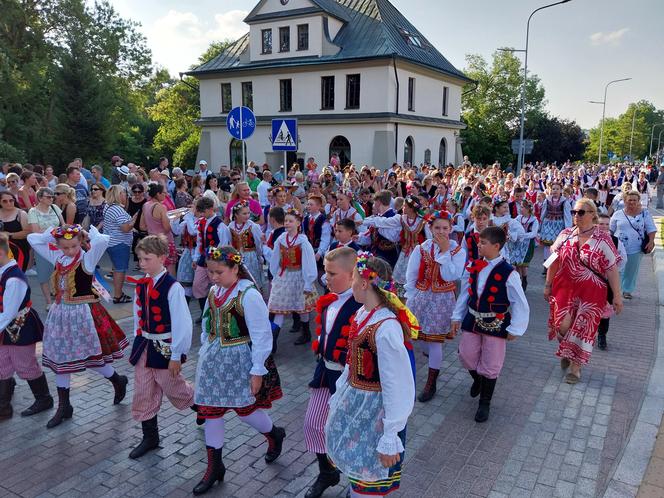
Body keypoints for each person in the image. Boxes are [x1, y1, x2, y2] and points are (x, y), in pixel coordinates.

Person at [192, 245, 285, 495]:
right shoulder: (214, 291)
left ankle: (274, 433)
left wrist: (257, 371)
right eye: (211, 272)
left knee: (245, 411)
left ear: (235, 269)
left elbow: (262, 335)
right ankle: (214, 467)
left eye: (219, 272)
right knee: (211, 412)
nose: (213, 277)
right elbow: (207, 322)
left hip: (239, 359)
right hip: (213, 360)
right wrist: (205, 348)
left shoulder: (248, 295)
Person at [325, 253, 416, 497]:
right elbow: (351, 364)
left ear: (364, 283)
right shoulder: (363, 315)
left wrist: (390, 434)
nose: (352, 284)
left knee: (370, 482)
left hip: (376, 416)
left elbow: (398, 385)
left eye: (353, 278)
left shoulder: (386, 328)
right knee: (360, 478)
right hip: (359, 408)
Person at [27, 224, 128, 428]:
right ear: (58, 246)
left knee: (92, 359)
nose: (70, 250)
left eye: (73, 246)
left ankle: (117, 380)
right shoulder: (59, 258)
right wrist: (53, 233)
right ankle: (64, 406)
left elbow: (102, 241)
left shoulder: (87, 259)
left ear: (80, 242)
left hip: (83, 316)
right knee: (61, 360)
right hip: (61, 315)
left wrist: (85, 232)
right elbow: (32, 239)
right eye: (65, 247)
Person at [451, 226, 529, 422]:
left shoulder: (509, 272)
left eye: (483, 243)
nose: (479, 245)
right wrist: (456, 316)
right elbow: (465, 293)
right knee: (466, 355)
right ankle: (478, 380)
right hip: (472, 318)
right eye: (479, 241)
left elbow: (519, 301)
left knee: (491, 363)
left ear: (496, 246)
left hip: (496, 322)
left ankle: (485, 402)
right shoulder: (474, 266)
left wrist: (515, 328)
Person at [128, 235, 195, 459]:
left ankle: (203, 407)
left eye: (147, 258)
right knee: (143, 389)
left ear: (162, 258)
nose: (142, 263)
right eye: (140, 258)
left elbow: (182, 324)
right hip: (145, 344)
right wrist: (137, 337)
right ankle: (150, 437)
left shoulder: (172, 287)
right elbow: (138, 315)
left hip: (165, 346)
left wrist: (177, 354)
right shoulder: (142, 285)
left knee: (173, 387)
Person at [303, 247, 362, 498]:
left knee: (351, 432)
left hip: (349, 379)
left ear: (351, 275)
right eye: (325, 272)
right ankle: (327, 472)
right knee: (314, 424)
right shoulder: (329, 298)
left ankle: (357, 482)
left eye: (331, 273)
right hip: (325, 372)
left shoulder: (360, 304)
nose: (325, 278)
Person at [546, 199, 623, 384]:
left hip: (592, 293)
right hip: (564, 289)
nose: (576, 216)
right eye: (574, 212)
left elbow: (612, 269)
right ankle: (566, 348)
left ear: (592, 215)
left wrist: (617, 296)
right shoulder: (565, 234)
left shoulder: (603, 238)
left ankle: (575, 367)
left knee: (583, 329)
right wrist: (548, 284)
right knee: (562, 326)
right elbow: (553, 261)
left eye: (581, 212)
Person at [405, 210, 465, 402]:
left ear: (451, 229)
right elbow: (412, 275)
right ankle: (428, 358)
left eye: (445, 228)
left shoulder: (457, 250)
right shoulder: (421, 249)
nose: (441, 231)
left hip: (442, 300)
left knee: (435, 341)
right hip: (421, 297)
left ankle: (431, 383)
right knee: (421, 339)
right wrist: (410, 298)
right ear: (430, 228)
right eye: (437, 227)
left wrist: (445, 251)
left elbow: (451, 276)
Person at [0, 232, 53, 420]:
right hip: (5, 328)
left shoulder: (14, 279)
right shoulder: (4, 273)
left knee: (24, 364)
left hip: (19, 328)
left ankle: (44, 398)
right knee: (2, 364)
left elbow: (8, 313)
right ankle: (4, 407)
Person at [268, 208, 318, 348]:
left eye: (291, 221)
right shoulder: (281, 238)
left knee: (301, 306)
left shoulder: (303, 241)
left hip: (299, 277)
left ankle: (306, 332)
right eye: (286, 221)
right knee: (278, 307)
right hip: (284, 276)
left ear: (298, 223)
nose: (287, 223)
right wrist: (275, 274)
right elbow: (275, 257)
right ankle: (273, 341)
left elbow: (309, 262)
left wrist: (308, 281)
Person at [609, 191, 657, 299]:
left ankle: (627, 290)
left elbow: (651, 228)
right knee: (617, 270)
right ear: (625, 201)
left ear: (638, 201)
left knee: (631, 270)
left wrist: (651, 241)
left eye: (634, 200)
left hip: (635, 247)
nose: (632, 202)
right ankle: (615, 290)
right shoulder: (617, 214)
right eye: (629, 200)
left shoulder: (645, 213)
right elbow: (610, 230)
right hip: (618, 248)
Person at [191, 196, 231, 316]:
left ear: (210, 209)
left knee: (217, 286)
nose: (202, 214)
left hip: (215, 260)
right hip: (203, 259)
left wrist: (217, 262)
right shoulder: (201, 223)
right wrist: (196, 258)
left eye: (204, 211)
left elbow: (223, 244)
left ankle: (217, 312)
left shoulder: (220, 225)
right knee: (197, 285)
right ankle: (205, 312)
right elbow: (199, 242)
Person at [28, 188, 64, 310]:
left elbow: (63, 225)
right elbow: (35, 231)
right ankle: (49, 302)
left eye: (52, 196)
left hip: (59, 245)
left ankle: (61, 297)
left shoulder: (55, 208)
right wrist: (55, 230)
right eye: (48, 197)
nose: (51, 199)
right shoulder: (33, 211)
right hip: (43, 247)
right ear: (40, 198)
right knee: (44, 275)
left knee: (61, 272)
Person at [596, 213, 627, 351]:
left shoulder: (615, 241)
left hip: (606, 281)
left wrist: (611, 272)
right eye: (601, 224)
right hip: (589, 281)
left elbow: (623, 259)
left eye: (607, 224)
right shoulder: (589, 238)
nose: (604, 227)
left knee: (605, 310)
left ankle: (602, 336)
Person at [104, 185, 137, 303]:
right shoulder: (117, 209)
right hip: (119, 243)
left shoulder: (108, 206)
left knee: (117, 269)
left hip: (112, 242)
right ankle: (118, 295)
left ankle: (119, 293)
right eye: (124, 193)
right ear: (119, 195)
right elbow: (125, 228)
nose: (126, 196)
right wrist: (134, 220)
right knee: (120, 270)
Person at [141, 183, 177, 276]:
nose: (166, 195)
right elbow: (167, 228)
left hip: (151, 241)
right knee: (169, 269)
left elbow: (142, 226)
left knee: (153, 270)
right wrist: (174, 220)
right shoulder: (161, 207)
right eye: (164, 193)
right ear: (158, 194)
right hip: (165, 241)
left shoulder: (145, 205)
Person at [229, 201, 264, 291]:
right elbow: (229, 242)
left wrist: (259, 256)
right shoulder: (230, 226)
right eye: (244, 213)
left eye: (248, 213)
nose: (247, 215)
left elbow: (258, 243)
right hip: (236, 256)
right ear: (236, 214)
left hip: (250, 256)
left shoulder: (253, 226)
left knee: (252, 278)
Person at [507, 200, 539, 290]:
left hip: (528, 243)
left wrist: (523, 235)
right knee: (517, 263)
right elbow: (512, 226)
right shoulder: (518, 218)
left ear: (528, 209)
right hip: (518, 243)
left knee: (523, 264)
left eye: (522, 207)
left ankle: (524, 279)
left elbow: (534, 233)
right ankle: (518, 280)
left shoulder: (534, 220)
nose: (521, 209)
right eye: (520, 207)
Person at [0, 191, 31, 271]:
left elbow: (27, 232)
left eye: (11, 200)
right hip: (1, 251)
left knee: (16, 277)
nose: (9, 203)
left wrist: (9, 235)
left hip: (18, 250)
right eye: (5, 201)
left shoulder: (21, 214)